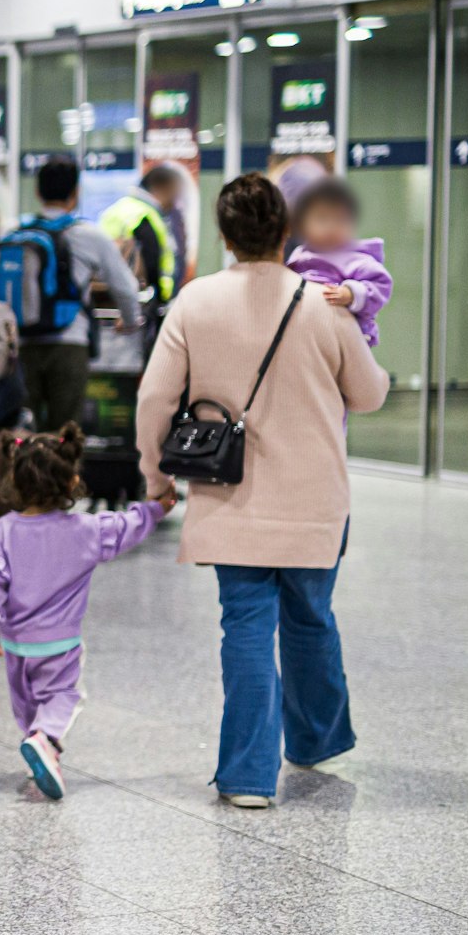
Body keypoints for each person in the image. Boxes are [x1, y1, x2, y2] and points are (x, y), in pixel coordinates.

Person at [135, 173, 390, 809]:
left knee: (246, 626)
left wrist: (155, 477)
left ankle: (249, 777)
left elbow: (153, 400)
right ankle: (316, 740)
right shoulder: (321, 301)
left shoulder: (195, 302)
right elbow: (370, 393)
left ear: (224, 236)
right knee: (310, 618)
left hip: (232, 499)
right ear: (285, 232)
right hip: (316, 502)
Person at [0, 423, 175, 800]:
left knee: (27, 704)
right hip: (59, 643)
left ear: (15, 481)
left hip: (16, 645)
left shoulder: (4, 529)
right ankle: (45, 741)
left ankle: (39, 744)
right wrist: (156, 509)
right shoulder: (85, 529)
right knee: (65, 695)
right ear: (71, 482)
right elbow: (126, 526)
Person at [20, 156, 144, 432]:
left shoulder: (18, 235)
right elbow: (125, 286)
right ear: (75, 194)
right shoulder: (88, 235)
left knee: (25, 432)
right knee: (65, 434)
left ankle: (25, 475)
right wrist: (131, 320)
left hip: (24, 345)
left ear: (38, 192)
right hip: (69, 344)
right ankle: (61, 476)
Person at [287, 178, 392, 349]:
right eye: (322, 219)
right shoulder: (299, 255)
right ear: (303, 225)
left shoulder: (356, 258)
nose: (331, 228)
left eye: (341, 220)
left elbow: (381, 284)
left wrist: (351, 293)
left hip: (347, 336)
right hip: (308, 334)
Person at [99, 164, 183, 303]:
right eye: (173, 195)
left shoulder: (117, 209)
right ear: (160, 188)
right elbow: (151, 261)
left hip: (105, 297)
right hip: (139, 301)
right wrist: (159, 299)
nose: (173, 203)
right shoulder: (143, 216)